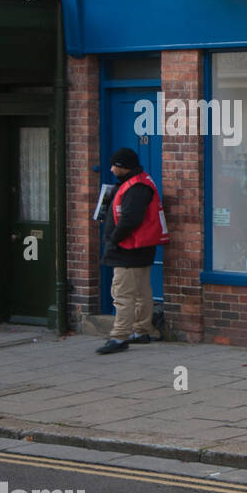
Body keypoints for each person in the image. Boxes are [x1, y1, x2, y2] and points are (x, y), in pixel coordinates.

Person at [96, 148, 168, 355]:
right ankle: (142, 330)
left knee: (122, 294)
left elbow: (130, 219)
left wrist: (113, 240)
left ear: (124, 166)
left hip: (128, 249)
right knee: (141, 292)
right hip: (139, 248)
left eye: (114, 165)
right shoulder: (140, 182)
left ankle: (119, 336)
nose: (111, 169)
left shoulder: (135, 187)